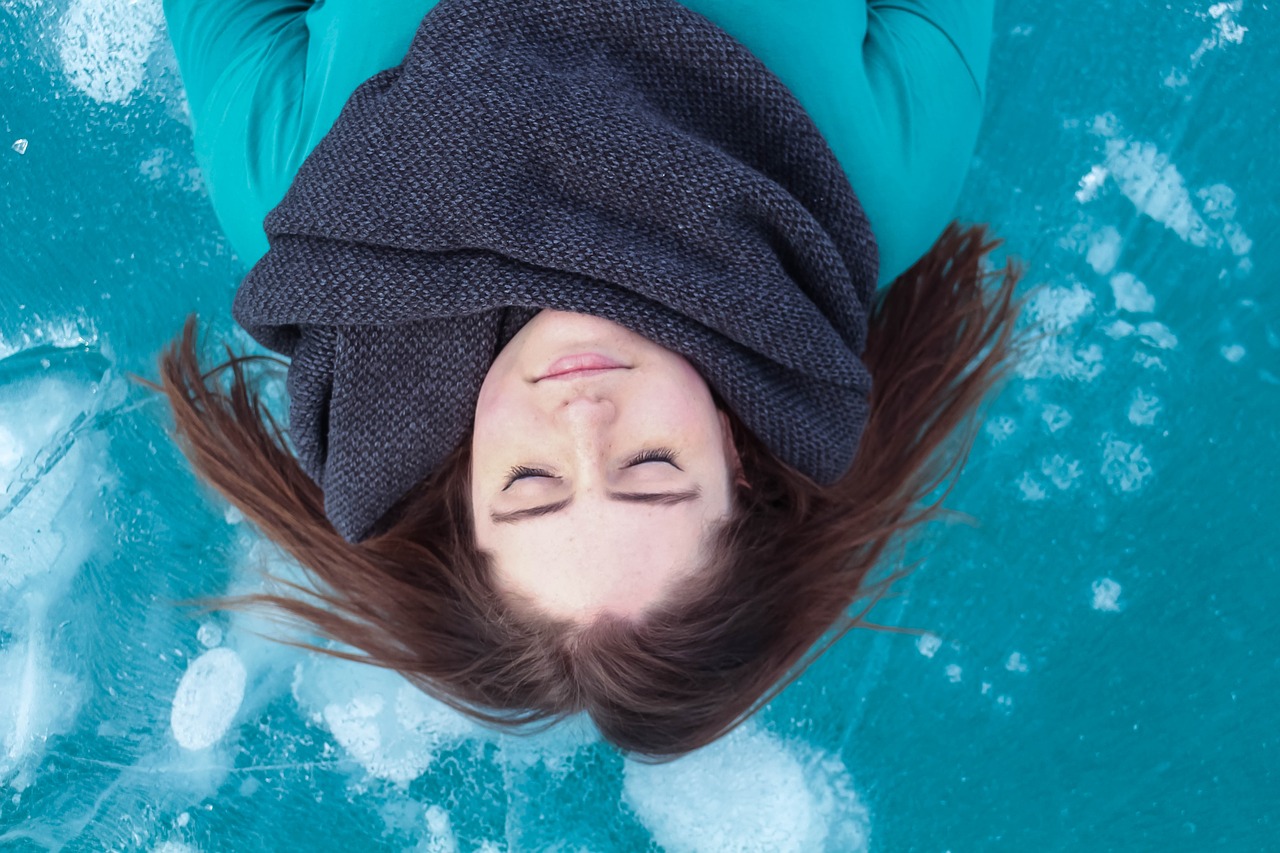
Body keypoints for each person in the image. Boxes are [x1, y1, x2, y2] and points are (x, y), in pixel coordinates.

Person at [154, 0, 1028, 759]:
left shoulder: (299, 196)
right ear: (736, 455)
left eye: (530, 483)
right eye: (649, 467)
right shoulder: (876, 187)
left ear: (461, 477)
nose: (582, 419)